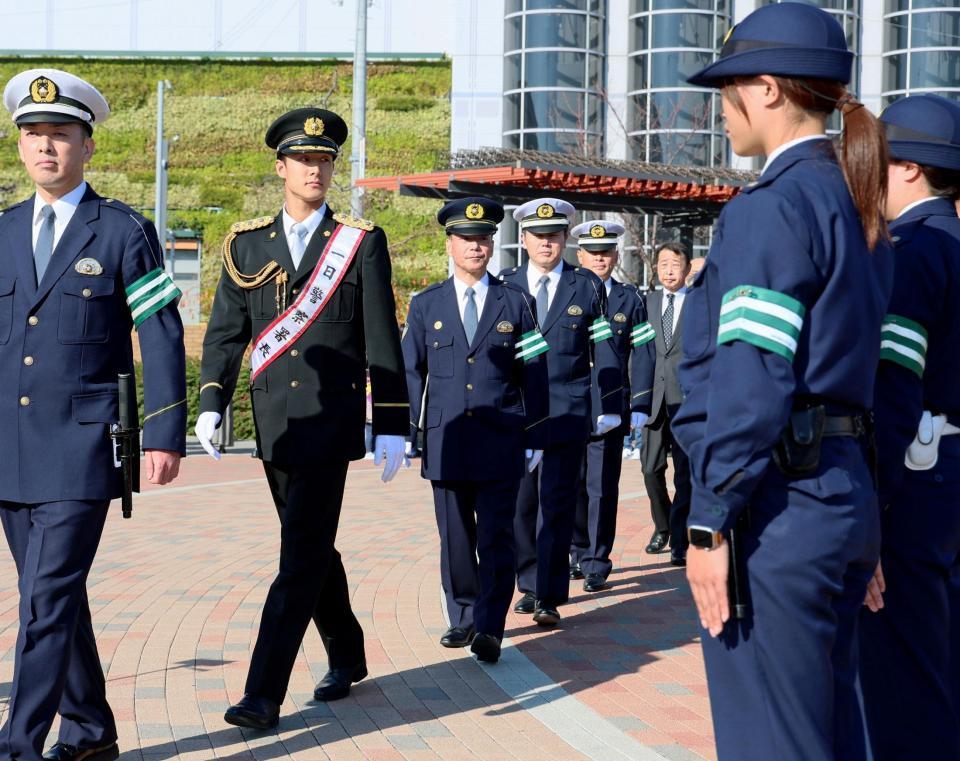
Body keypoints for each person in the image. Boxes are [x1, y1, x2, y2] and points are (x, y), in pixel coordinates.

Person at [670, 4, 894, 759]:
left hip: (778, 507)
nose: (722, 109)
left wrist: (709, 518)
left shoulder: (773, 209)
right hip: (841, 497)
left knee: (772, 740)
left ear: (767, 90)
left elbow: (752, 377)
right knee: (833, 733)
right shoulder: (860, 206)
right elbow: (879, 381)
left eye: (727, 89)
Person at [195, 108, 410, 729]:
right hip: (275, 426)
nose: (315, 170)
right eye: (304, 160)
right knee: (311, 547)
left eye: (325, 161)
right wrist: (212, 402)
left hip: (329, 423)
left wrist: (391, 422)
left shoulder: (360, 243)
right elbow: (225, 335)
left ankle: (263, 692)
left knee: (297, 559)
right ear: (281, 167)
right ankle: (347, 650)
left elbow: (381, 339)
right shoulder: (245, 243)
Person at [0, 68, 186, 761]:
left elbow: (161, 332)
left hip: (81, 447)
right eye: (34, 136)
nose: (46, 148)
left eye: (60, 136)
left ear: (88, 146)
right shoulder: (4, 231)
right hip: (10, 445)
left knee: (43, 599)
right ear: (21, 147)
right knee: (55, 595)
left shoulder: (123, 231)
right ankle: (90, 731)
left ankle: (17, 746)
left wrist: (165, 432)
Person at [858, 94, 960, 761]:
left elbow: (895, 391)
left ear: (909, 168)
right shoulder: (952, 242)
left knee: (904, 687)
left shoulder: (913, 252)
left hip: (914, 496)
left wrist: (871, 507)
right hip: (949, 484)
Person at [402, 197, 548, 662]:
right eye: (467, 239)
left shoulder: (517, 302)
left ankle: (490, 626)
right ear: (450, 244)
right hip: (446, 442)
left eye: (483, 239)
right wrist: (407, 431)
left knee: (496, 538)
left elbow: (535, 371)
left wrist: (536, 434)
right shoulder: (427, 305)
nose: (476, 247)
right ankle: (462, 615)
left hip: (502, 439)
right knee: (457, 539)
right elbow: (412, 372)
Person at [499, 198, 622, 627]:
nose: (546, 243)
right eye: (538, 235)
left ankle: (549, 593)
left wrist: (609, 404)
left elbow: (603, 347)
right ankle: (528, 582)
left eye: (554, 235)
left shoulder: (586, 285)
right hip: (517, 415)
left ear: (566, 238)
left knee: (558, 503)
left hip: (568, 411)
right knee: (520, 505)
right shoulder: (506, 284)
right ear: (524, 239)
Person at [569, 220, 654, 591]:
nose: (600, 259)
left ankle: (596, 561)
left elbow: (645, 352)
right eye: (593, 253)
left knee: (602, 486)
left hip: (611, 405)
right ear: (580, 255)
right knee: (569, 483)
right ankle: (573, 550)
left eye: (606, 253)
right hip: (568, 404)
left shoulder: (630, 298)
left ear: (616, 255)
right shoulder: (564, 293)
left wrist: (641, 401)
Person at [641, 242, 692, 566]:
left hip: (687, 400)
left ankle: (680, 539)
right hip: (653, 400)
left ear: (686, 268)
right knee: (650, 469)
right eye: (662, 264)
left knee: (685, 474)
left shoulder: (700, 303)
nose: (668, 269)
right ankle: (663, 526)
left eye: (675, 263)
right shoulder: (647, 302)